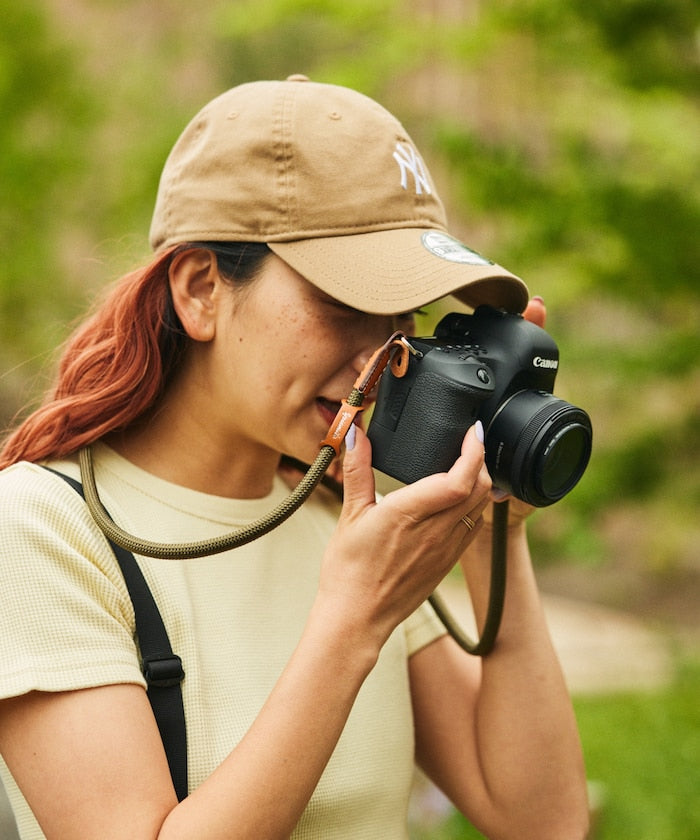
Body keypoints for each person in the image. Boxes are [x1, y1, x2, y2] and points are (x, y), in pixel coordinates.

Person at [0, 75, 589, 840]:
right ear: (201, 289)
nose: (385, 359)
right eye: (343, 307)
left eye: (403, 318)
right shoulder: (44, 530)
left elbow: (541, 821)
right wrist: (351, 623)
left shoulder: (341, 523)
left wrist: (494, 530)